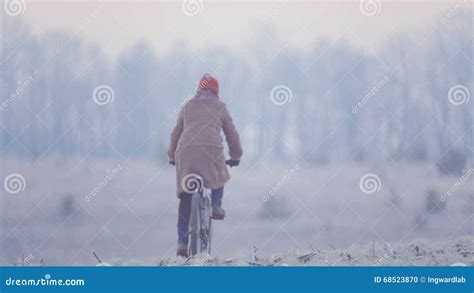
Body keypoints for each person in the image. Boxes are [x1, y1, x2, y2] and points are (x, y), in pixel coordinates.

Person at [168, 73, 243, 257]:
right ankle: (216, 205)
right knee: (220, 173)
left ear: (198, 90)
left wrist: (172, 156)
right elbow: (232, 135)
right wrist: (236, 156)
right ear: (216, 91)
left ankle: (183, 241)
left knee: (186, 195)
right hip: (211, 151)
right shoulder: (220, 107)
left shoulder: (187, 106)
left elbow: (175, 134)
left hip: (186, 152)